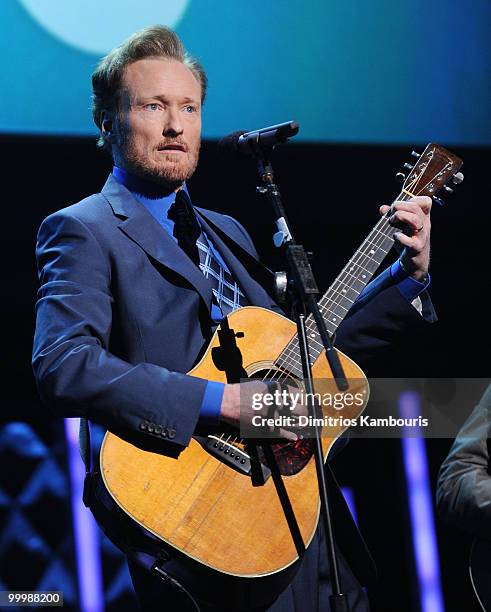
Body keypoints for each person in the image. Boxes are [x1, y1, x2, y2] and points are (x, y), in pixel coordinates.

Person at [32, 25, 436, 612]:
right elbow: (64, 365)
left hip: (300, 514)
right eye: (153, 106)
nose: (175, 126)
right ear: (107, 123)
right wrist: (220, 403)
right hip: (199, 518)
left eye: (189, 108)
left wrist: (409, 276)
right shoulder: (84, 228)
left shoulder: (228, 231)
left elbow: (306, 355)